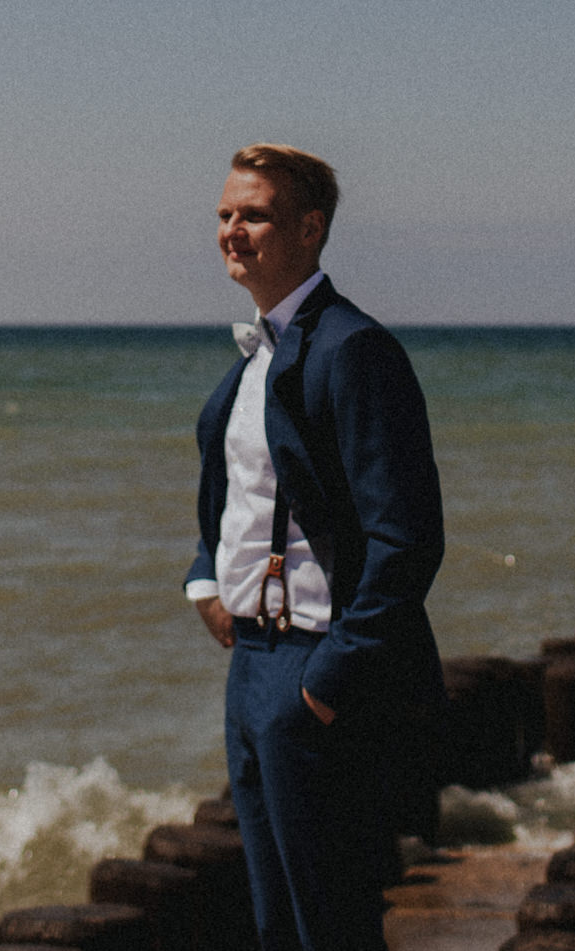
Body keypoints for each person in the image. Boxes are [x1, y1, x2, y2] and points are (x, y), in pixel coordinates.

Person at [187, 144, 447, 951]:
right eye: (226, 214)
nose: (233, 230)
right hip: (252, 664)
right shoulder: (257, 354)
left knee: (330, 921)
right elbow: (235, 490)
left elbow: (406, 537)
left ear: (310, 226)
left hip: (314, 669)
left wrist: (331, 677)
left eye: (253, 214)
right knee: (275, 921)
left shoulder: (352, 348)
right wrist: (205, 578)